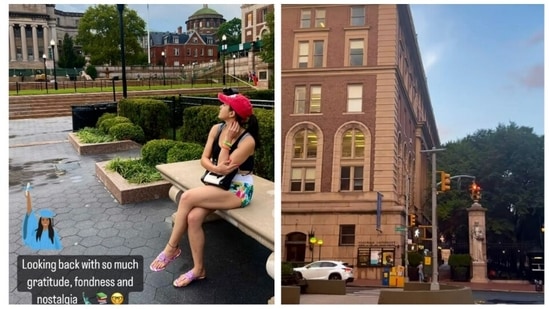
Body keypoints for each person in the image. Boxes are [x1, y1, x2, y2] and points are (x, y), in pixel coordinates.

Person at [149, 89, 260, 288]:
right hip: (217, 184)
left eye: (224, 104)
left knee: (186, 198)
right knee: (193, 217)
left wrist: (226, 146)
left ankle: (171, 248)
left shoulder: (247, 141)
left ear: (232, 113)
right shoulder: (216, 129)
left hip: (238, 191)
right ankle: (199, 270)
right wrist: (215, 167)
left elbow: (226, 168)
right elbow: (204, 159)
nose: (220, 106)